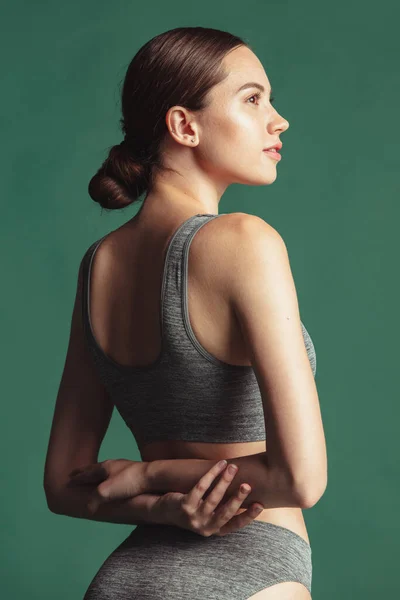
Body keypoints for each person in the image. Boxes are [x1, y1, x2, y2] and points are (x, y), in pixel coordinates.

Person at [43, 26, 327, 599]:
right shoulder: (245, 241)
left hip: (124, 578)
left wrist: (164, 505)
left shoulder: (99, 262)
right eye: (253, 99)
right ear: (184, 125)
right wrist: (150, 475)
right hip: (248, 571)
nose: (279, 120)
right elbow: (301, 479)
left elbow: (62, 486)